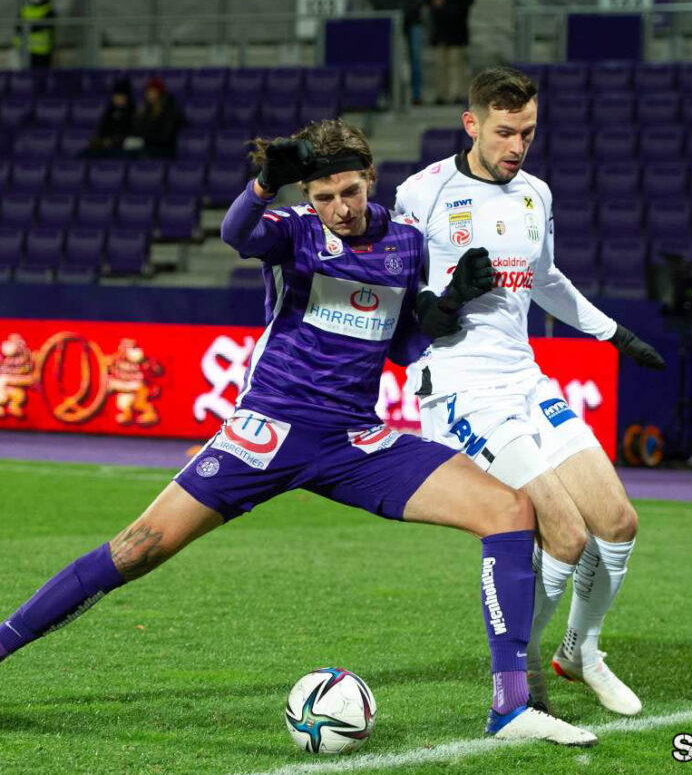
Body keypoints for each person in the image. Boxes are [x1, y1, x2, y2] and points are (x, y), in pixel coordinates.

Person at [0, 119, 596, 747]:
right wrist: (263, 184)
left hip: (353, 441)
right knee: (136, 549)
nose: (340, 209)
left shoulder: (406, 242)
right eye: (324, 197)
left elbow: (403, 345)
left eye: (350, 192)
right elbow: (237, 234)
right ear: (308, 197)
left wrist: (449, 304)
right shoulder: (295, 231)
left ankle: (510, 707)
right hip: (269, 431)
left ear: (370, 180)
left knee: (508, 510)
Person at [395, 67, 666, 718]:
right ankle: (519, 671)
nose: (517, 145)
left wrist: (613, 333)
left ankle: (580, 652)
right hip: (460, 388)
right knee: (564, 534)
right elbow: (401, 297)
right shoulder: (423, 192)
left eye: (528, 132)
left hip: (524, 379)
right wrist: (448, 300)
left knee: (617, 523)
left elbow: (545, 280)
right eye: (504, 132)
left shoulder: (536, 194)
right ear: (472, 124)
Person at [369, 0, 429, 106]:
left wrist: (411, 7)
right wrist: (388, 8)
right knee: (387, 58)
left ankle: (416, 95)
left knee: (415, 58)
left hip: (413, 20)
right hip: (388, 21)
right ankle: (387, 95)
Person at [429, 0, 475, 105]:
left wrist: (445, 6)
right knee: (441, 64)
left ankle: (457, 93)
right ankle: (442, 94)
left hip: (457, 28)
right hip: (441, 29)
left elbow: (466, 2)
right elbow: (432, 0)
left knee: (456, 63)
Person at [130, 77, 182, 158]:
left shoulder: (168, 111)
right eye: (148, 92)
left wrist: (145, 140)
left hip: (163, 150)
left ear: (160, 94)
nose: (150, 95)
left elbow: (165, 136)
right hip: (147, 147)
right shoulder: (144, 110)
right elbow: (137, 130)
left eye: (154, 92)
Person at [86, 78, 136, 156]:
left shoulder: (132, 112)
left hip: (122, 148)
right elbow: (102, 130)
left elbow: (132, 134)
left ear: (127, 97)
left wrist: (114, 141)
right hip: (105, 146)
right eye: (117, 96)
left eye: (122, 96)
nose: (119, 99)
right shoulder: (109, 112)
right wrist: (101, 140)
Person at [14, 0, 56, 69]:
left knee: (42, 73)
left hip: (42, 50)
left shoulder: (48, 9)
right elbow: (17, 27)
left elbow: (46, 25)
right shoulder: (25, 9)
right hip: (24, 49)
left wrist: (28, 27)